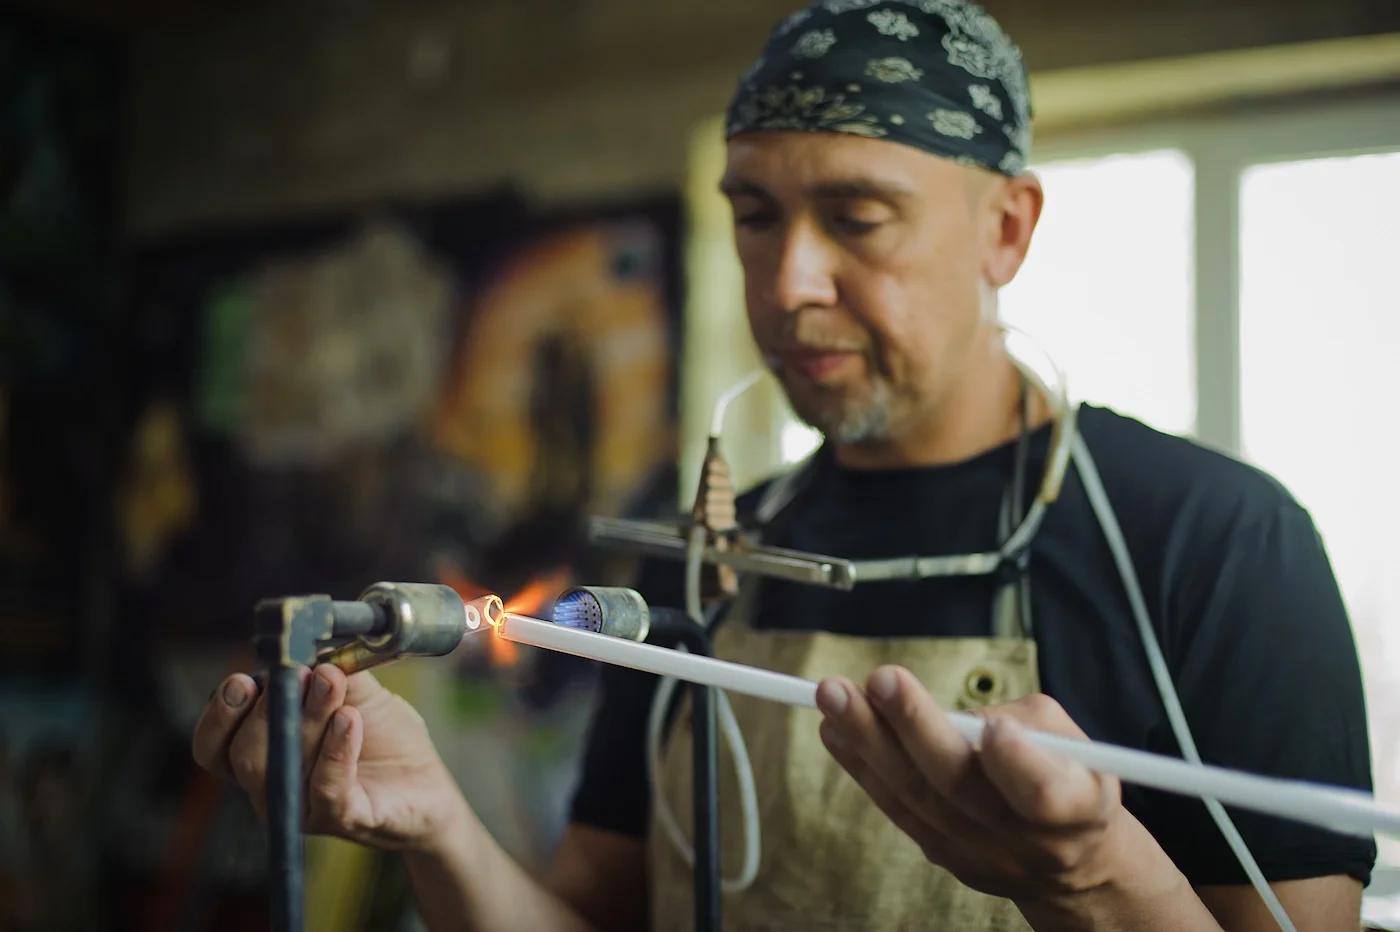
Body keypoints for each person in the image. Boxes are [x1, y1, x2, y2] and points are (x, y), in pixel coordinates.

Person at [191, 2, 1378, 929]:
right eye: (754, 216)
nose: (789, 282)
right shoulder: (700, 561)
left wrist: (1086, 879)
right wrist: (436, 822)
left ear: (1005, 230)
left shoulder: (1219, 544)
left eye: (856, 218)